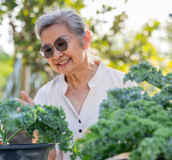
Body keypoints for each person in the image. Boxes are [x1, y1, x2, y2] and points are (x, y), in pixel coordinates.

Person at [15, 9, 137, 160]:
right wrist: (38, 127)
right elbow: (47, 157)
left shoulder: (125, 86)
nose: (57, 55)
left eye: (61, 43)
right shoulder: (45, 96)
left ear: (85, 38)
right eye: (48, 50)